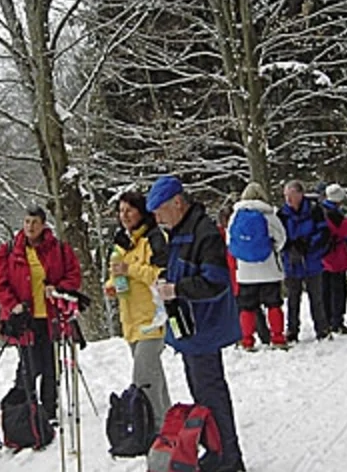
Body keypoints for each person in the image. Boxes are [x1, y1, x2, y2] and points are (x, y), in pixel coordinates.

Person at [148, 175, 245, 472]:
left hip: (205, 328)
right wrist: (165, 280)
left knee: (211, 394)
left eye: (160, 211)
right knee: (202, 395)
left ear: (178, 203)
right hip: (190, 328)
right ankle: (216, 451)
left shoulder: (203, 233)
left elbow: (215, 281)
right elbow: (183, 271)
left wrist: (176, 289)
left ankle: (229, 458)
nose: (157, 218)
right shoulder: (179, 232)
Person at [0, 205, 82, 424]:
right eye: (27, 222)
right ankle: (27, 411)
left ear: (43, 225)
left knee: (51, 367)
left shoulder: (58, 249)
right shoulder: (9, 250)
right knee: (29, 366)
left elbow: (74, 276)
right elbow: (1, 284)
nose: (30, 226)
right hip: (24, 318)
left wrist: (58, 289)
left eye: (35, 222)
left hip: (51, 316)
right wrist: (12, 305)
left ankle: (49, 412)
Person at [105, 191, 172, 428]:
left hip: (153, 319)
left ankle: (155, 430)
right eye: (121, 211)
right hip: (131, 321)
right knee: (155, 377)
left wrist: (130, 269)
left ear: (141, 212)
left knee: (143, 379)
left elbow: (160, 275)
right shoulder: (121, 243)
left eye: (129, 210)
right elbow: (117, 275)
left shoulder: (154, 238)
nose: (124, 216)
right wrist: (112, 285)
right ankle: (169, 425)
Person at [227, 182, 288, 350]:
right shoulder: (269, 215)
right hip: (269, 268)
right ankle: (278, 338)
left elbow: (230, 241)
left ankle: (247, 340)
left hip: (245, 271)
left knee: (247, 307)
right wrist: (272, 249)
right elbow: (281, 238)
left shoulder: (236, 216)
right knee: (273, 305)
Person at [277, 180, 330, 343]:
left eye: (291, 195)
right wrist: (289, 245)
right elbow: (278, 237)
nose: (288, 199)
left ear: (300, 194)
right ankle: (292, 330)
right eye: (286, 196)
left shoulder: (314, 210)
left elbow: (324, 233)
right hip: (292, 262)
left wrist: (308, 243)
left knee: (316, 297)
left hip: (312, 260)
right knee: (293, 299)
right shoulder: (282, 214)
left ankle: (322, 328)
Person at [318, 183, 347, 334]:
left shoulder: (319, 210)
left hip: (321, 255)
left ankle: (327, 319)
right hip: (335, 255)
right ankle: (336, 321)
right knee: (338, 289)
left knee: (325, 289)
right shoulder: (334, 214)